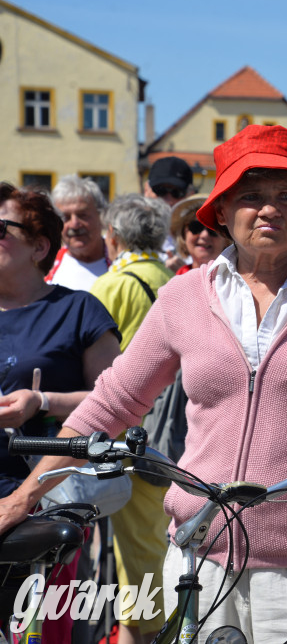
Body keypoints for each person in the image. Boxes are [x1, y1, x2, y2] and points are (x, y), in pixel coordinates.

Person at [0, 125, 287, 642]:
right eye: (251, 196)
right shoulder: (183, 296)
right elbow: (111, 403)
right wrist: (22, 499)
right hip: (199, 558)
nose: (270, 209)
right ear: (220, 212)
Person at [0, 182, 121, 644]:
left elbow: (117, 402)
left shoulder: (77, 310)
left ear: (38, 245)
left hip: (46, 498)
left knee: (43, 631)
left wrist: (43, 401)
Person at [88, 194, 175, 643]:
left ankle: (142, 631)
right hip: (174, 432)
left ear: (115, 236)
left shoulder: (111, 285)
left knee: (135, 544)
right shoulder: (174, 278)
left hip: (128, 435)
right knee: (161, 536)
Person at [45, 175, 110, 290]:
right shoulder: (45, 266)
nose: (74, 224)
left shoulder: (121, 264)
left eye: (82, 215)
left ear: (101, 216)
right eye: (66, 217)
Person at [144, 156, 196, 270]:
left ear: (190, 195)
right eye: (160, 191)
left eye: (176, 192)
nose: (168, 200)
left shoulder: (203, 237)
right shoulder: (127, 235)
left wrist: (187, 275)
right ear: (146, 190)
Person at [169, 194, 232, 275]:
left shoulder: (237, 280)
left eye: (213, 228)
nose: (204, 235)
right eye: (196, 227)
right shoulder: (173, 279)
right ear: (183, 235)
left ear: (226, 239)